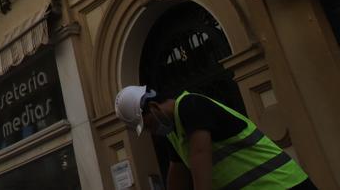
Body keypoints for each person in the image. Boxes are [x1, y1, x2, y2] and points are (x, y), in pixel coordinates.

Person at [114, 85, 315, 189]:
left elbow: (200, 154)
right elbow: (177, 174)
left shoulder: (190, 105)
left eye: (148, 124)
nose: (152, 131)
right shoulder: (174, 134)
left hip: (282, 184)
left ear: (154, 107)